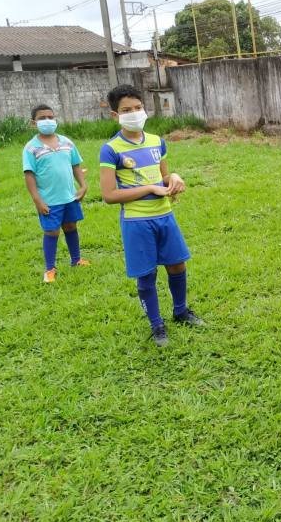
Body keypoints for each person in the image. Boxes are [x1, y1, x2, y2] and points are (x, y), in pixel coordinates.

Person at [98, 84, 203, 347]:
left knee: (177, 264)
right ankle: (157, 325)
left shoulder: (158, 141)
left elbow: (163, 175)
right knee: (146, 274)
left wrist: (174, 178)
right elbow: (109, 194)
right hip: (137, 221)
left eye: (138, 108)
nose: (134, 113)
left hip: (165, 215)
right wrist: (148, 189)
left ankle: (180, 312)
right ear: (115, 115)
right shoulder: (110, 149)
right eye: (126, 110)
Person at [23, 104, 90, 282]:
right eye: (42, 118)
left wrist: (83, 185)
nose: (47, 121)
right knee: (52, 232)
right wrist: (37, 200)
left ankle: (76, 260)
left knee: (71, 227)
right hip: (49, 201)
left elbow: (75, 165)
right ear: (33, 123)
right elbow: (29, 175)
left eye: (50, 117)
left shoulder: (67, 142)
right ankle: (50, 268)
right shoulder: (31, 148)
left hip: (70, 197)